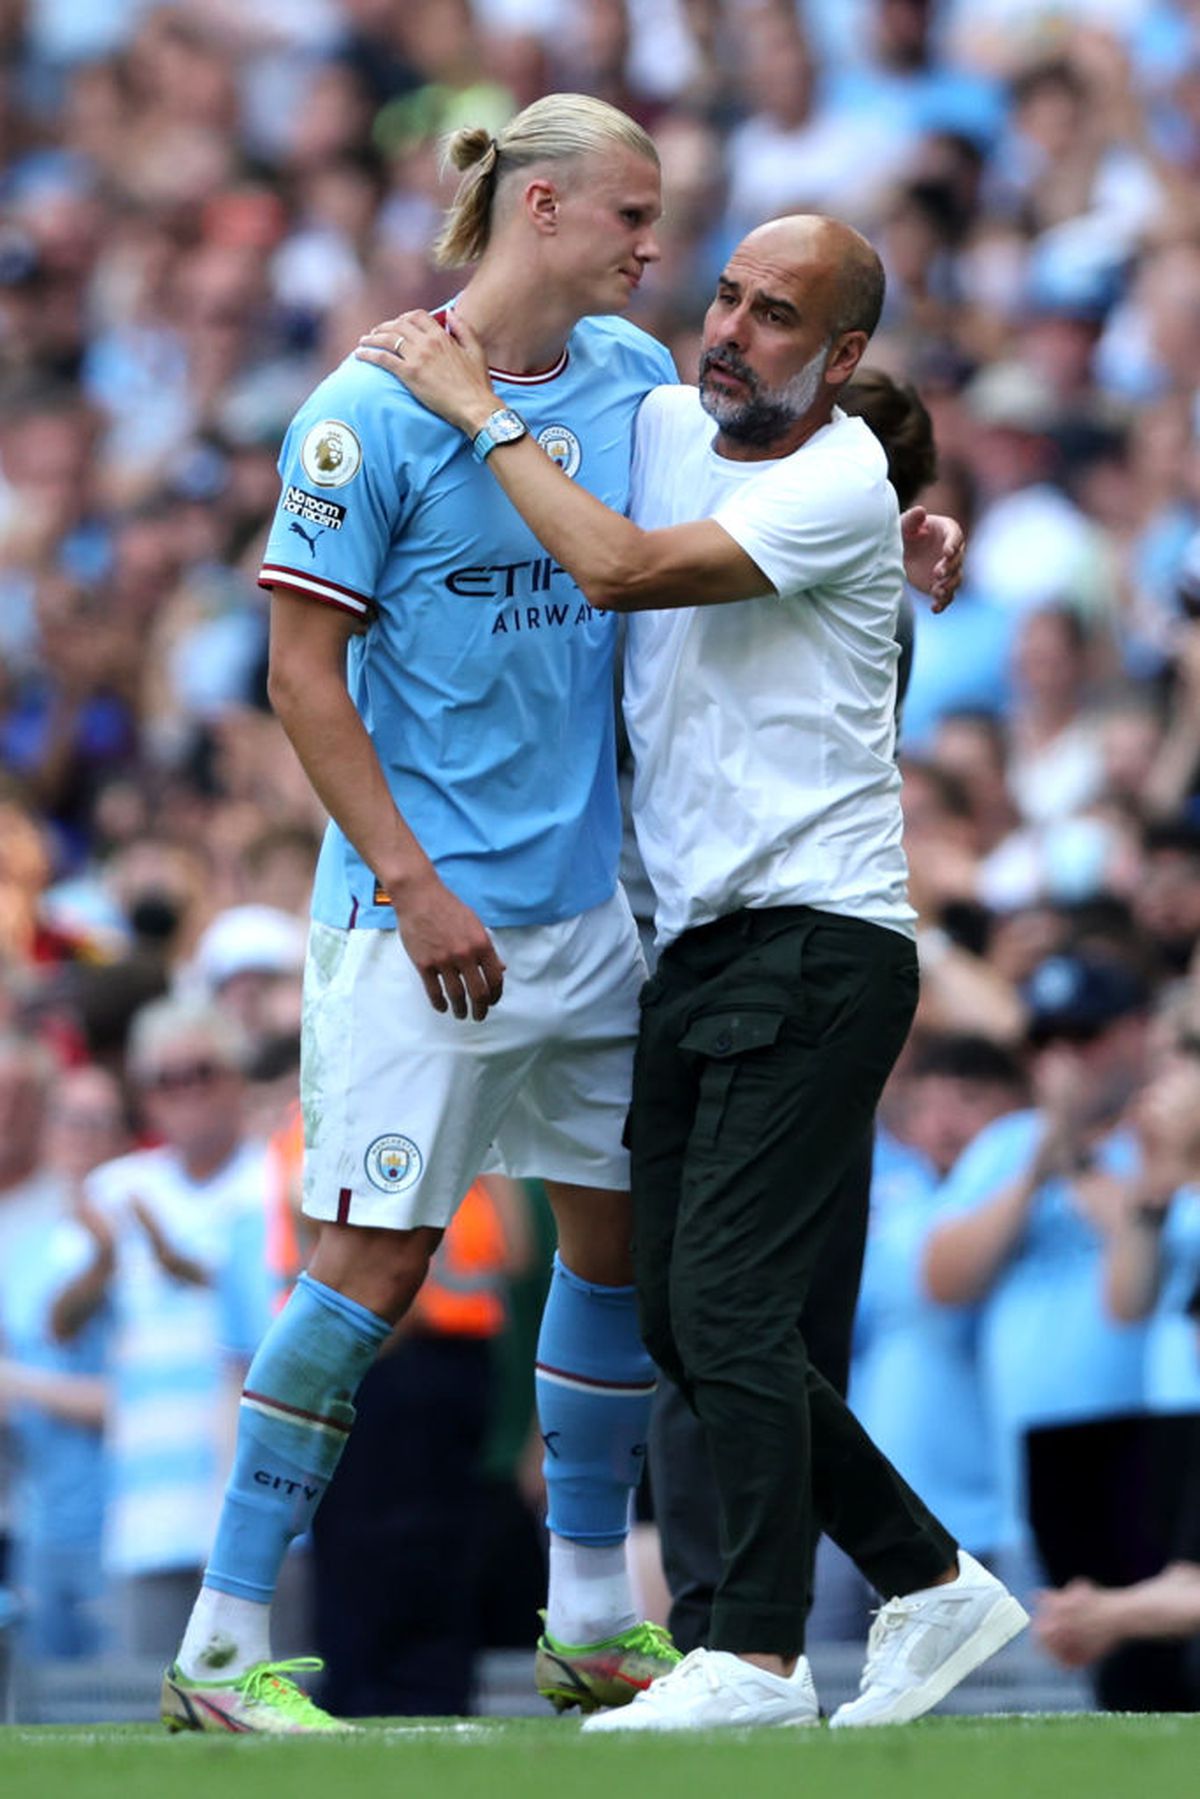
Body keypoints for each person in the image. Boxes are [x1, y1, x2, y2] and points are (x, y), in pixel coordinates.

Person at [163, 94, 964, 1736]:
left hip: (596, 918)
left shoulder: (623, 389)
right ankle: (224, 1645)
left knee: (616, 1258)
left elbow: (770, 467)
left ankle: (597, 1619)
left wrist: (902, 523)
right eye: (630, 216)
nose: (655, 249)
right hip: (416, 923)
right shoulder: (363, 413)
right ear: (538, 209)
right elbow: (298, 675)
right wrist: (409, 877)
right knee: (368, 1271)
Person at [356, 208, 1022, 1732]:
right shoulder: (671, 421)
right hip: (701, 943)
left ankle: (762, 1656)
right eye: (724, 296)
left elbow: (616, 569)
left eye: (775, 314)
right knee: (682, 1312)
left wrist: (471, 411)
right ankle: (928, 1582)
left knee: (721, 1306)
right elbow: (589, 432)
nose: (729, 327)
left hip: (817, 936)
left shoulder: (842, 472)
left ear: (842, 362)